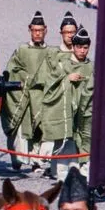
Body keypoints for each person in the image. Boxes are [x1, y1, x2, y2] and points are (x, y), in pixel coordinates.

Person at [39, 27, 94, 180]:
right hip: (67, 110)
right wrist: (67, 79)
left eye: (85, 47)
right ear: (73, 47)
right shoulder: (63, 64)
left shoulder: (91, 66)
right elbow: (49, 86)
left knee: (85, 143)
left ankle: (81, 176)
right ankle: (62, 177)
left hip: (86, 112)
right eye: (79, 47)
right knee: (66, 144)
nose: (82, 51)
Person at [2, 11, 52, 171]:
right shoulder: (21, 50)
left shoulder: (51, 52)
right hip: (23, 97)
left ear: (46, 30)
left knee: (39, 130)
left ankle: (37, 161)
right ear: (30, 30)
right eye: (34, 30)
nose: (37, 33)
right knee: (21, 130)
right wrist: (25, 78)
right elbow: (12, 69)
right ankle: (19, 159)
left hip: (41, 97)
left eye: (40, 30)